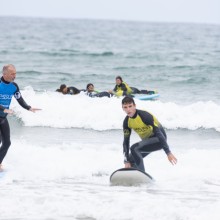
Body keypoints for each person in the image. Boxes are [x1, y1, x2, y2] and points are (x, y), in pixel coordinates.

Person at [0, 64, 41, 172]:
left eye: (15, 73)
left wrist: (28, 107)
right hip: (2, 113)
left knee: (7, 143)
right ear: (4, 74)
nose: (15, 76)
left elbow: (20, 99)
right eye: (12, 74)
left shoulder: (14, 86)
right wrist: (4, 108)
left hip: (3, 118)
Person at [121, 96, 177, 172]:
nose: (128, 109)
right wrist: (126, 161)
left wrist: (168, 152)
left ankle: (142, 173)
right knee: (130, 159)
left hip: (159, 140)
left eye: (130, 106)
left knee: (134, 148)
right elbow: (126, 142)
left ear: (135, 106)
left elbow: (159, 133)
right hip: (147, 142)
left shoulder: (145, 116)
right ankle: (135, 178)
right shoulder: (126, 122)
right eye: (125, 107)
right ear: (123, 108)